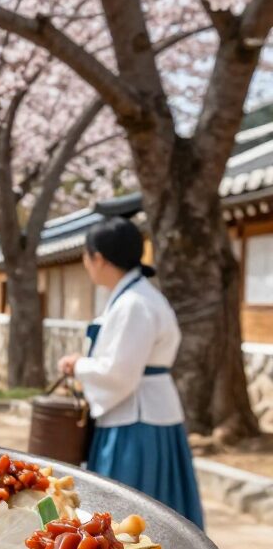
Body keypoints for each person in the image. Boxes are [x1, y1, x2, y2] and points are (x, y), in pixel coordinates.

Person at [57, 217, 204, 528]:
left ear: (98, 258)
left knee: (131, 505)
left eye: (86, 255)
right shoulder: (137, 297)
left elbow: (119, 372)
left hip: (135, 421)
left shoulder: (134, 303)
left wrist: (78, 365)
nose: (85, 262)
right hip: (144, 413)